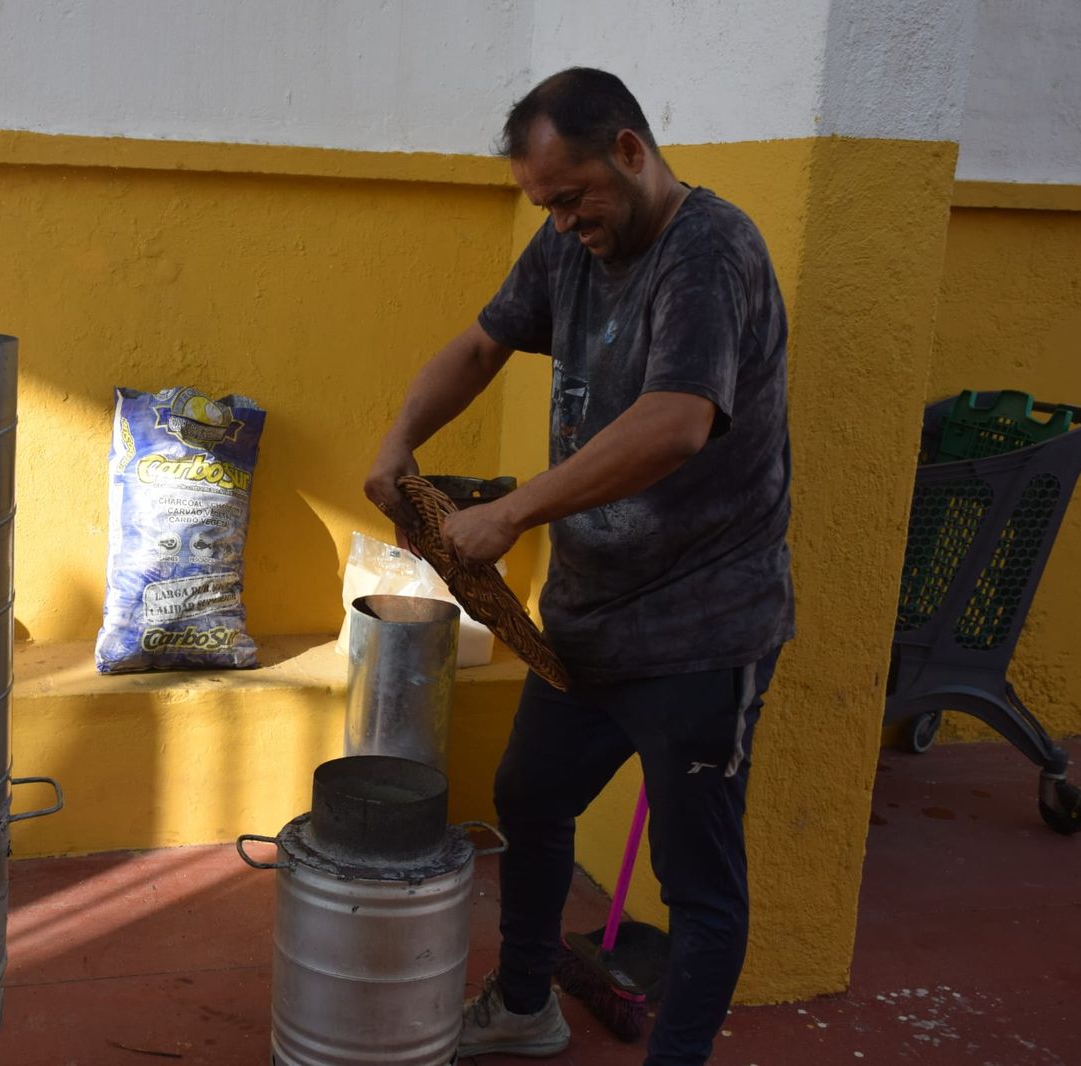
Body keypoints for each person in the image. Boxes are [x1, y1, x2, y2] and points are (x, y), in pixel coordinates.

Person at [363, 68, 794, 1065]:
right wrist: (398, 442)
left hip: (701, 629)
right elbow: (480, 346)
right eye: (543, 204)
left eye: (570, 198)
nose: (559, 224)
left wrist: (509, 513)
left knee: (698, 884)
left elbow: (677, 422)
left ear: (631, 153)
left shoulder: (709, 251)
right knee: (530, 798)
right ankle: (524, 1003)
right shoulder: (566, 246)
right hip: (589, 619)